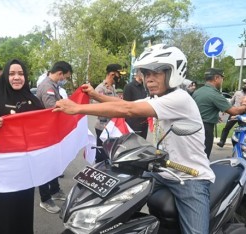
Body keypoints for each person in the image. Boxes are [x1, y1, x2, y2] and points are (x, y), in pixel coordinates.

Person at [54, 44, 215, 233]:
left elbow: (128, 110)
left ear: (174, 73)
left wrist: (78, 109)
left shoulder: (180, 98)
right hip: (162, 172)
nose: (150, 79)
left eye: (157, 73)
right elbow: (126, 103)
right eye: (146, 74)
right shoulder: (158, 98)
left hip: (189, 177)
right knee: (116, 199)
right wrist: (94, 95)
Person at [0, 59, 44, 234]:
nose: (16, 78)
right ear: (6, 76)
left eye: (20, 74)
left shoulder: (33, 100)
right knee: (3, 210)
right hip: (1, 168)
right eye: (12, 74)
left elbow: (44, 126)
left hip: (25, 168)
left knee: (24, 208)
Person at [36, 61, 72, 213]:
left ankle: (55, 190)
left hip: (51, 133)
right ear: (60, 73)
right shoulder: (47, 86)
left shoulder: (53, 85)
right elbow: (52, 109)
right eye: (66, 77)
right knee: (45, 166)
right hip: (44, 133)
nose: (65, 80)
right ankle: (45, 199)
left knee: (53, 163)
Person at [192, 68, 246, 158]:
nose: (222, 81)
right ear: (216, 78)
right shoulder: (214, 94)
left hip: (195, 127)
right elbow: (234, 111)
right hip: (206, 129)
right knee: (204, 156)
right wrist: (245, 105)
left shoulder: (198, 91)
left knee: (196, 154)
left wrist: (214, 116)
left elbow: (202, 108)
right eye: (222, 78)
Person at [93, 63, 123, 163]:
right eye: (119, 74)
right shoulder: (100, 89)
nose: (120, 77)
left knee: (109, 153)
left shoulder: (112, 88)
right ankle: (98, 173)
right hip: (103, 126)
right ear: (112, 74)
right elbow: (97, 109)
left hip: (111, 126)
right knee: (101, 154)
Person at [217, 81, 246, 147]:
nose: (245, 85)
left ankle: (242, 143)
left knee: (244, 129)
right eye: (244, 84)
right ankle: (222, 141)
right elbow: (231, 102)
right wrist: (225, 109)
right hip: (234, 112)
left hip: (244, 115)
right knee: (227, 127)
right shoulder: (238, 93)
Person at [123, 69, 148, 139]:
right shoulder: (129, 87)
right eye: (144, 74)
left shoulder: (145, 87)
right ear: (139, 74)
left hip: (144, 122)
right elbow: (125, 105)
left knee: (142, 143)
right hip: (133, 123)